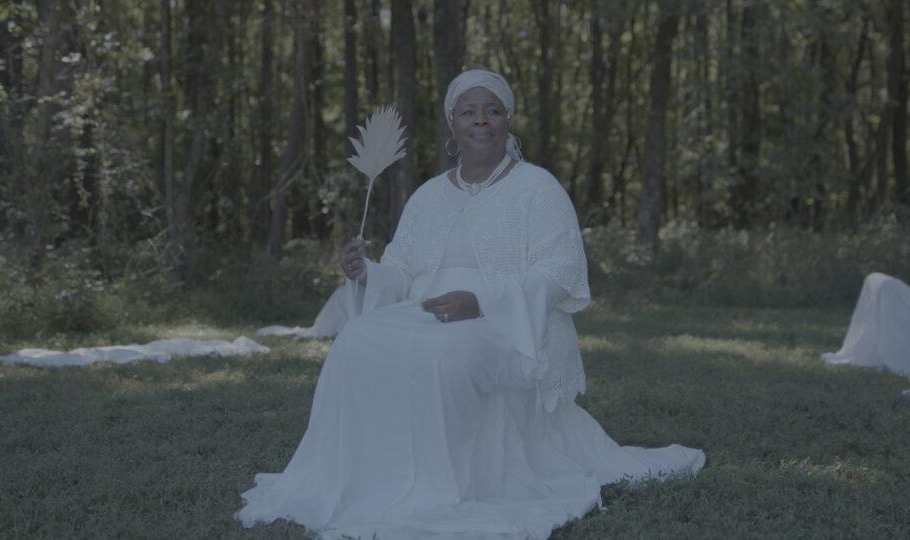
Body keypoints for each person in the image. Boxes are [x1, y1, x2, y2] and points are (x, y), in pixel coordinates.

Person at [236, 68, 705, 539]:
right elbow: (400, 272)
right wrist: (366, 273)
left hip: (508, 324)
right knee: (355, 340)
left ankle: (437, 490)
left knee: (445, 354)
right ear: (452, 126)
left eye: (492, 110)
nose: (481, 120)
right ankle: (363, 477)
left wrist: (480, 302)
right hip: (426, 312)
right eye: (468, 111)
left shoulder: (538, 188)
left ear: (507, 121)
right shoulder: (428, 197)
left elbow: (557, 274)